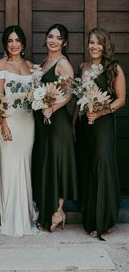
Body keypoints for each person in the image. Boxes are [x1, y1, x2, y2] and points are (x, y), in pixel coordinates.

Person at [74, 27, 126, 240]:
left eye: (99, 43)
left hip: (103, 125)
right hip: (85, 125)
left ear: (105, 46)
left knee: (102, 164)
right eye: (91, 42)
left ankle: (104, 219)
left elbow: (121, 99)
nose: (94, 46)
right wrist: (74, 125)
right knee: (87, 166)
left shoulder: (114, 68)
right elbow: (79, 100)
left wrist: (102, 111)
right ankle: (90, 216)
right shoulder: (82, 67)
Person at [0, 25, 38, 237]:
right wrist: (3, 124)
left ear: (23, 43)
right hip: (9, 122)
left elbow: (37, 95)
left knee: (25, 167)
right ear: (5, 43)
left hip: (27, 121)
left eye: (17, 40)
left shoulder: (30, 65)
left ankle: (25, 217)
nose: (14, 44)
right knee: (9, 167)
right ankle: (9, 218)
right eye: (10, 40)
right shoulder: (0, 65)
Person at [32, 23, 78, 232]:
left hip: (58, 122)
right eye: (50, 36)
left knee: (57, 163)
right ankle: (49, 208)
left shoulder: (63, 63)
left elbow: (69, 94)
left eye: (58, 38)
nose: (53, 40)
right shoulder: (43, 62)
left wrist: (53, 107)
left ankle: (58, 211)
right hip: (44, 123)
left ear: (64, 42)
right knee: (47, 163)